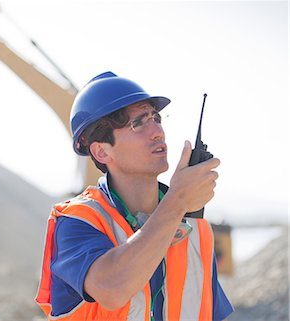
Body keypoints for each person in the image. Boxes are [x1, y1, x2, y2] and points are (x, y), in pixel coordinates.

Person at [36, 71, 234, 321]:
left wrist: (179, 203)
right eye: (138, 123)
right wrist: (179, 199)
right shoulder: (77, 221)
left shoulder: (195, 229)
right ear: (101, 152)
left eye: (156, 118)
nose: (157, 132)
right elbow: (112, 288)